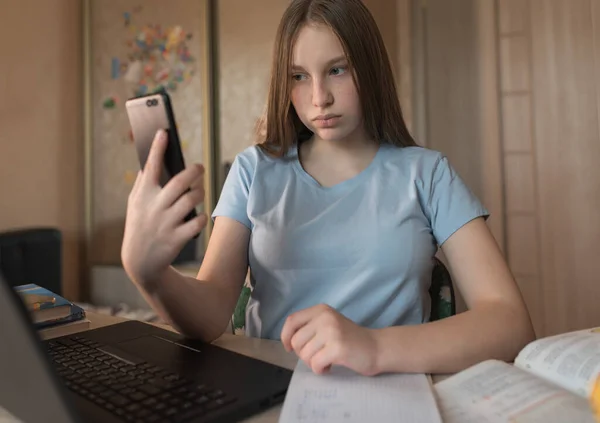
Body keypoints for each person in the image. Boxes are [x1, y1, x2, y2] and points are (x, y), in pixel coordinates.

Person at [122, 0, 535, 377]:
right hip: (268, 392)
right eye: (299, 76)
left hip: (393, 393)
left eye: (337, 69)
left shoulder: (427, 173)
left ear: (370, 68)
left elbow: (509, 321)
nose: (319, 98)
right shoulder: (254, 170)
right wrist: (151, 274)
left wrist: (373, 346)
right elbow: (212, 314)